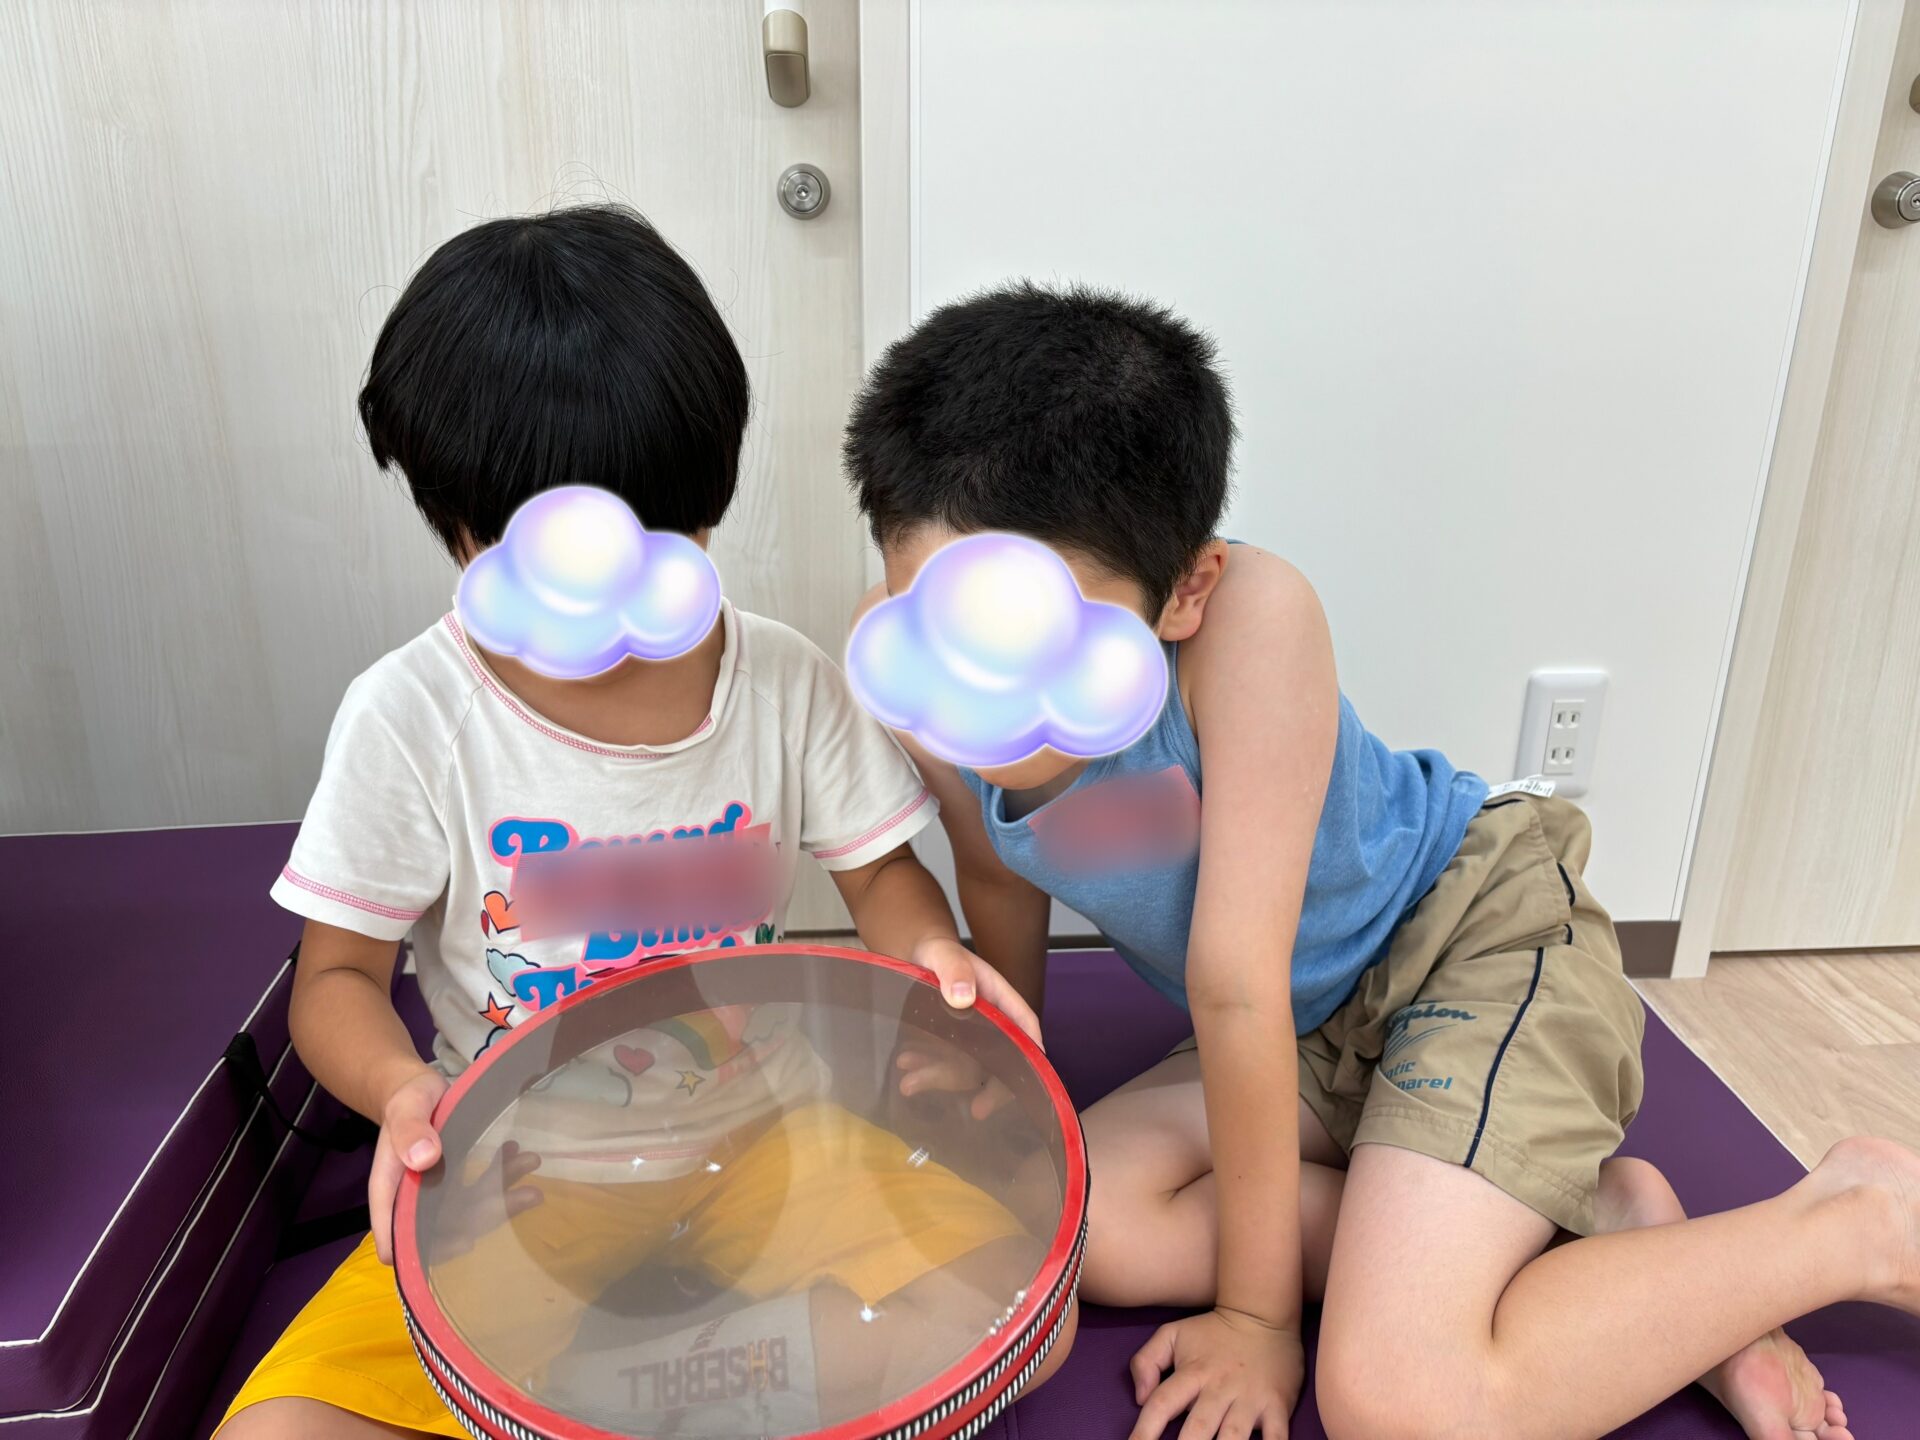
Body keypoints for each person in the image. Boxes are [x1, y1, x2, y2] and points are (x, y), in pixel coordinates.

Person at [842, 280, 1917, 1440]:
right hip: (1307, 1028)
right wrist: (1004, 1070)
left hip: (1469, 948)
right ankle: (1602, 1235)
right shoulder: (907, 661)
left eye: (1033, 646)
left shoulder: (1251, 622)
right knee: (1077, 1224)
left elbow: (1236, 981)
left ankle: (1855, 1221)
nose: (984, 698)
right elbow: (998, 874)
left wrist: (1258, 1320)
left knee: (1397, 1401)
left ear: (1186, 590)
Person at [219, 206, 1067, 1439]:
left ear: (710, 494)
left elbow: (883, 876)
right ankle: (687, 1387)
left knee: (1024, 1323)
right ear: (456, 523)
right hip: (517, 1175)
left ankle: (614, 1397)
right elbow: (336, 979)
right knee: (278, 1433)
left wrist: (934, 955)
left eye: (651, 547)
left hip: (774, 1142)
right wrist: (403, 1093)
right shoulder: (411, 714)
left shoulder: (781, 680)